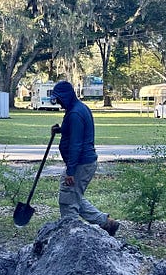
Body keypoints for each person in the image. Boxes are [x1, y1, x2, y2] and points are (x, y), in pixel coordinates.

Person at [49, 80, 120, 236]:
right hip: (84, 162)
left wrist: (71, 172)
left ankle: (72, 236)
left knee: (67, 200)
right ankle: (106, 223)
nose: (58, 102)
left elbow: (76, 144)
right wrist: (61, 130)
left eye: (59, 99)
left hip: (80, 163)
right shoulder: (78, 108)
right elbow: (76, 131)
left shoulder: (74, 113)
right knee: (74, 196)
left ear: (65, 96)